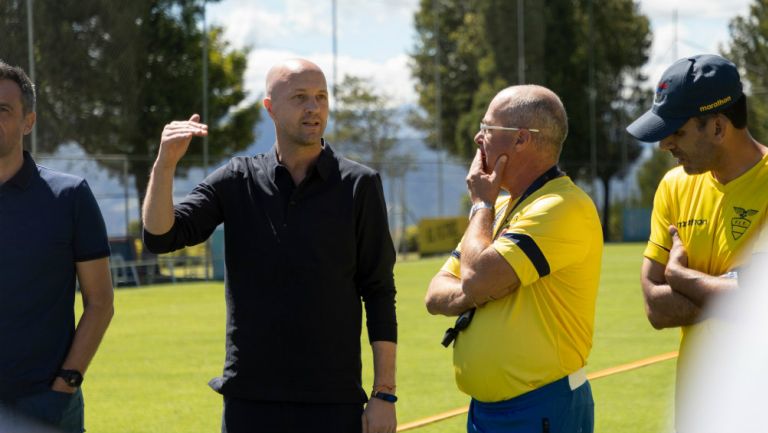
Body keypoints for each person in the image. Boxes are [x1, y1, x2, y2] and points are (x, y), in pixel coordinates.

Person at [142, 58, 397, 433]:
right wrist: (165, 165)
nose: (313, 107)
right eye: (300, 97)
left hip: (333, 401)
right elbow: (162, 236)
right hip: (250, 402)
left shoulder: (359, 185)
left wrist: (384, 394)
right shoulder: (236, 179)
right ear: (270, 108)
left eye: (321, 97)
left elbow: (378, 292)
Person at [425, 85, 603, 433]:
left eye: (488, 128)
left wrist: (481, 205)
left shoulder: (561, 206)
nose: (479, 137)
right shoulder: (502, 207)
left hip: (543, 407)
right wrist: (479, 290)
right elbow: (434, 294)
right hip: (485, 412)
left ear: (521, 139)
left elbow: (473, 277)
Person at [626, 54, 768, 432]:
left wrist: (680, 275)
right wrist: (731, 292)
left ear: (719, 127)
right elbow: (655, 307)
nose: (664, 144)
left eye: (678, 131)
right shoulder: (674, 186)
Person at [0, 61, 114, 433]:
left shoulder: (69, 196)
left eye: (3, 110)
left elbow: (100, 303)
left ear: (28, 122)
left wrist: (64, 386)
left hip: (45, 405)